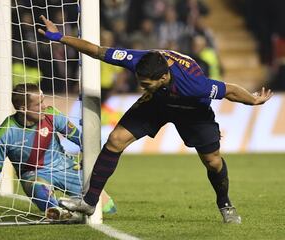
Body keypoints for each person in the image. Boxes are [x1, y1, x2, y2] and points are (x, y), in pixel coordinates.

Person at [37, 16, 273, 224]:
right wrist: (60, 37)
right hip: (157, 103)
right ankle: (89, 202)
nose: (141, 85)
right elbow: (96, 50)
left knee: (212, 162)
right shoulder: (136, 59)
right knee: (116, 139)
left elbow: (229, 89)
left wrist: (252, 101)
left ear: (163, 76)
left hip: (192, 111)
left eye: (146, 83)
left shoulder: (194, 84)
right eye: (140, 81)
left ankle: (225, 204)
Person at [0, 83, 116, 220]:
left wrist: (89, 158)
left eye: (43, 101)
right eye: (38, 104)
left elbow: (81, 139)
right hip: (33, 175)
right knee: (41, 192)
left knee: (107, 209)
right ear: (23, 108)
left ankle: (71, 208)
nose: (44, 106)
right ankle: (60, 212)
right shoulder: (5, 133)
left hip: (63, 166)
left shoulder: (51, 115)